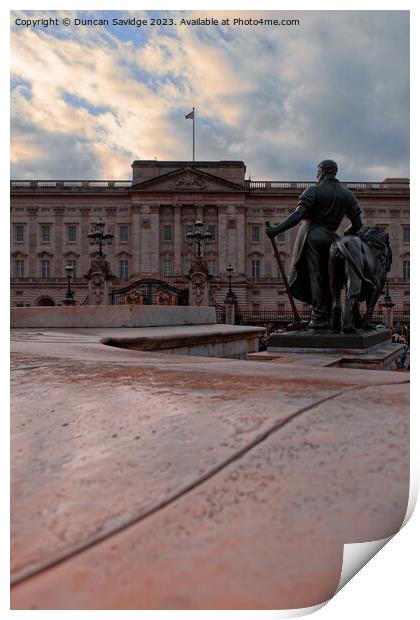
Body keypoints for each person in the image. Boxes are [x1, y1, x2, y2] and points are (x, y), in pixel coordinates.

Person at [266, 160, 363, 329]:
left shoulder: (314, 190)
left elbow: (298, 215)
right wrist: (346, 234)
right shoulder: (347, 195)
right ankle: (330, 313)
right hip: (333, 238)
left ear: (323, 172)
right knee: (330, 278)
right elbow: (357, 224)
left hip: (312, 235)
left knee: (316, 276)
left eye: (318, 171)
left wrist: (277, 230)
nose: (317, 175)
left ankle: (319, 316)